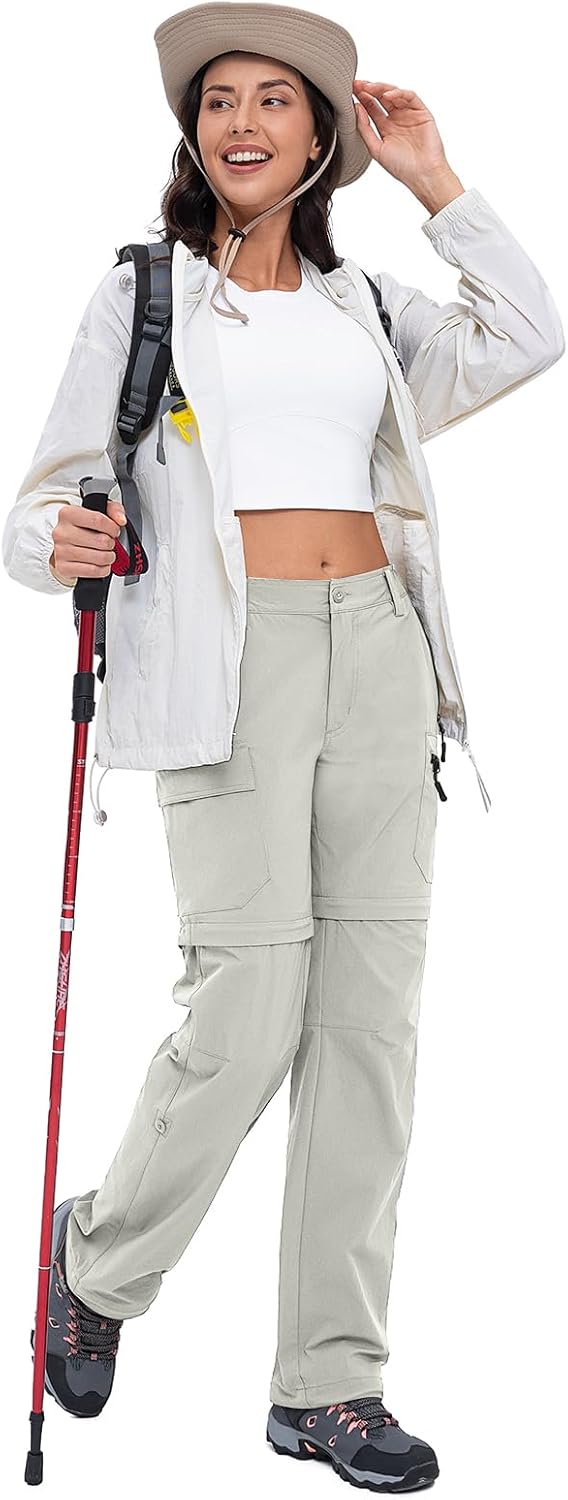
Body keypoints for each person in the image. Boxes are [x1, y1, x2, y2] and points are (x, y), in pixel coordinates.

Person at [5, 3, 564, 1491]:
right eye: (219, 101)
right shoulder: (145, 298)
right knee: (247, 1006)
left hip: (383, 652)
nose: (243, 122)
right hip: (228, 667)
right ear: (193, 134)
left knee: (369, 1030)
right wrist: (60, 540)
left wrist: (436, 179)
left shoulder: (369, 306)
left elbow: (529, 330)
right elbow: (40, 503)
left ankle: (331, 1385)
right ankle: (96, 1261)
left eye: (274, 100)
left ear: (322, 135)